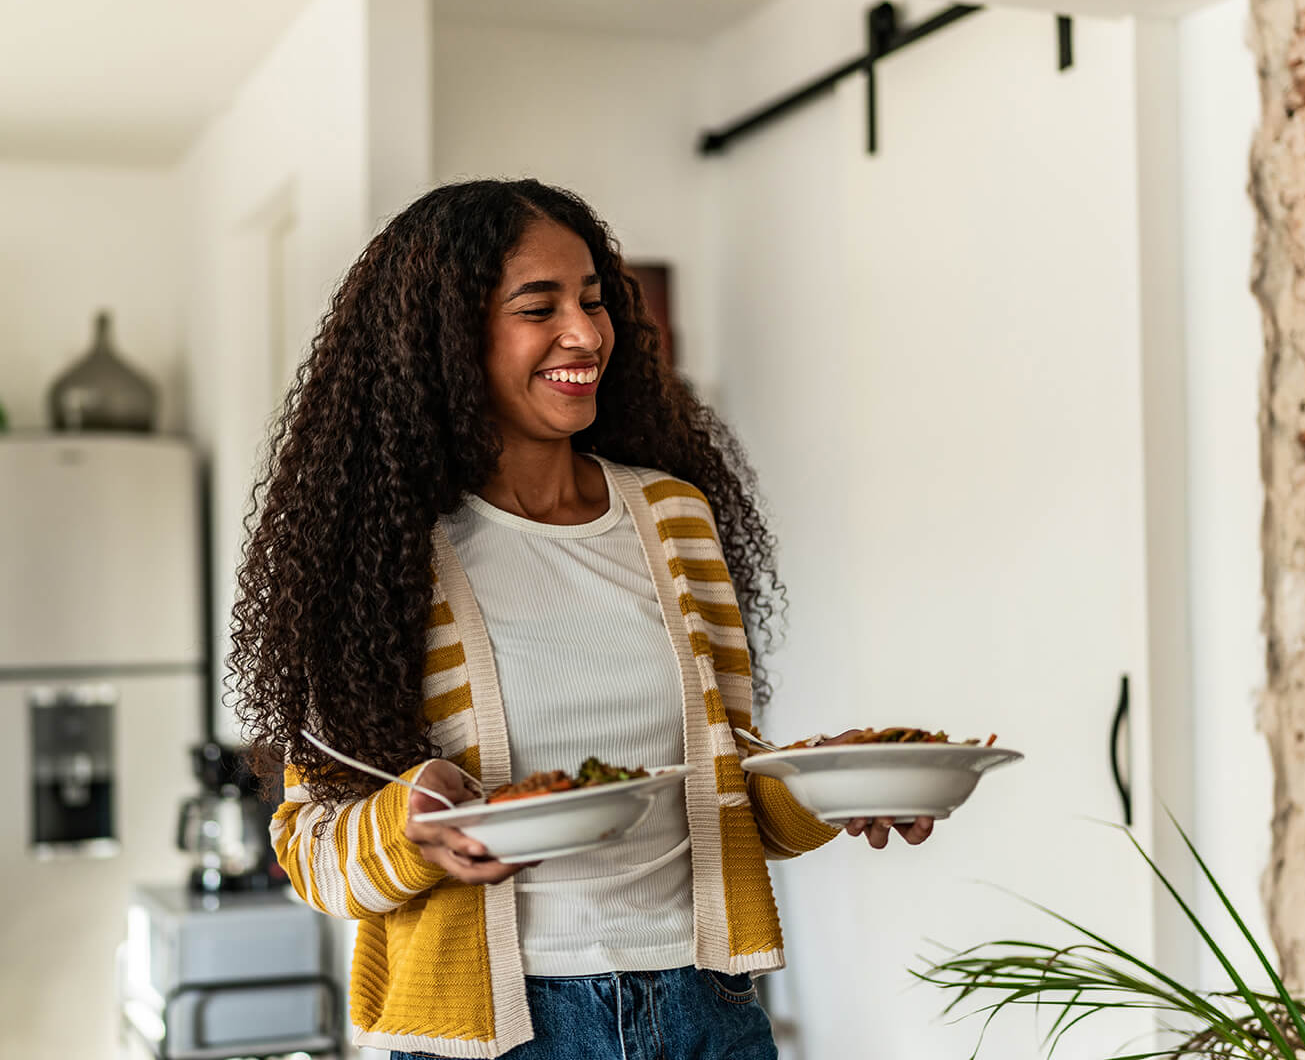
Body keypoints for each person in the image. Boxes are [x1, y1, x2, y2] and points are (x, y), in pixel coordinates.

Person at [229, 179, 933, 1060]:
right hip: (484, 1035)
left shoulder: (673, 517)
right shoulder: (380, 557)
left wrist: (839, 788)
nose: (587, 334)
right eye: (540, 306)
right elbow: (312, 852)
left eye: (594, 300)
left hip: (703, 1011)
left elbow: (726, 786)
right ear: (446, 339)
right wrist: (414, 832)